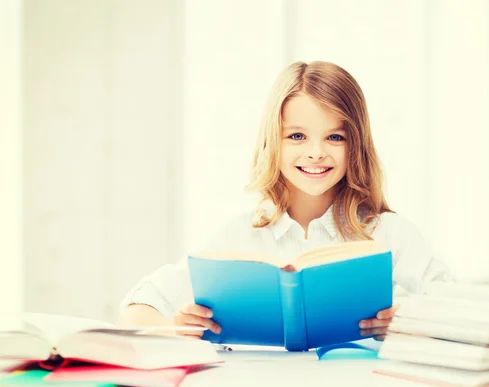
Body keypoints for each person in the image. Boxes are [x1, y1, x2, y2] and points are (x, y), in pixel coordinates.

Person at [118, 61, 454, 341]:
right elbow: (138, 308)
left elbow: (462, 315)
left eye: (335, 137)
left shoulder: (390, 234)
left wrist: (412, 324)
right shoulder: (239, 235)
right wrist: (177, 332)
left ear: (357, 146)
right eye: (297, 136)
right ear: (273, 142)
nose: (316, 152)